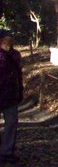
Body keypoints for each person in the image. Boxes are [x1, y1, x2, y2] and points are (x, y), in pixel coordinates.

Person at [0, 29, 23, 164]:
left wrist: (20, 89)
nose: (9, 40)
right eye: (7, 37)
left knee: (11, 123)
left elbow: (19, 74)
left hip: (11, 94)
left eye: (11, 37)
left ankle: (7, 151)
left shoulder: (15, 55)